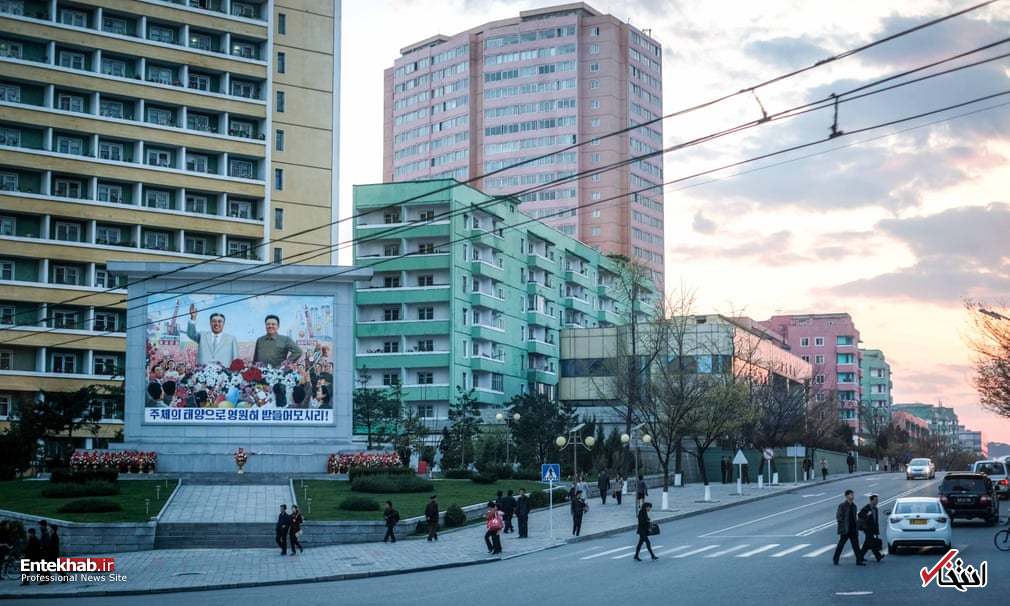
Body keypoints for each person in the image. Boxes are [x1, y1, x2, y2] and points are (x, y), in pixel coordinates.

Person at [832, 489, 866, 565]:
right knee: (841, 545)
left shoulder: (854, 506)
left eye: (853, 494)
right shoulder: (842, 505)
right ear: (847, 496)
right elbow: (839, 517)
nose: (853, 496)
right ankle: (835, 559)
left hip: (853, 529)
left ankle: (859, 560)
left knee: (856, 546)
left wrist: (857, 526)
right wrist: (843, 526)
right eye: (851, 494)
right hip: (845, 529)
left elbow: (855, 517)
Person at [858, 494, 885, 562]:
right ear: (871, 500)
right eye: (875, 500)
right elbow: (860, 515)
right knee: (870, 542)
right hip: (867, 528)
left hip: (873, 528)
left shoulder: (875, 509)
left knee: (868, 543)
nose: (877, 501)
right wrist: (867, 514)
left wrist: (877, 530)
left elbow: (876, 520)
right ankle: (878, 556)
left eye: (877, 500)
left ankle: (860, 556)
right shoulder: (866, 508)